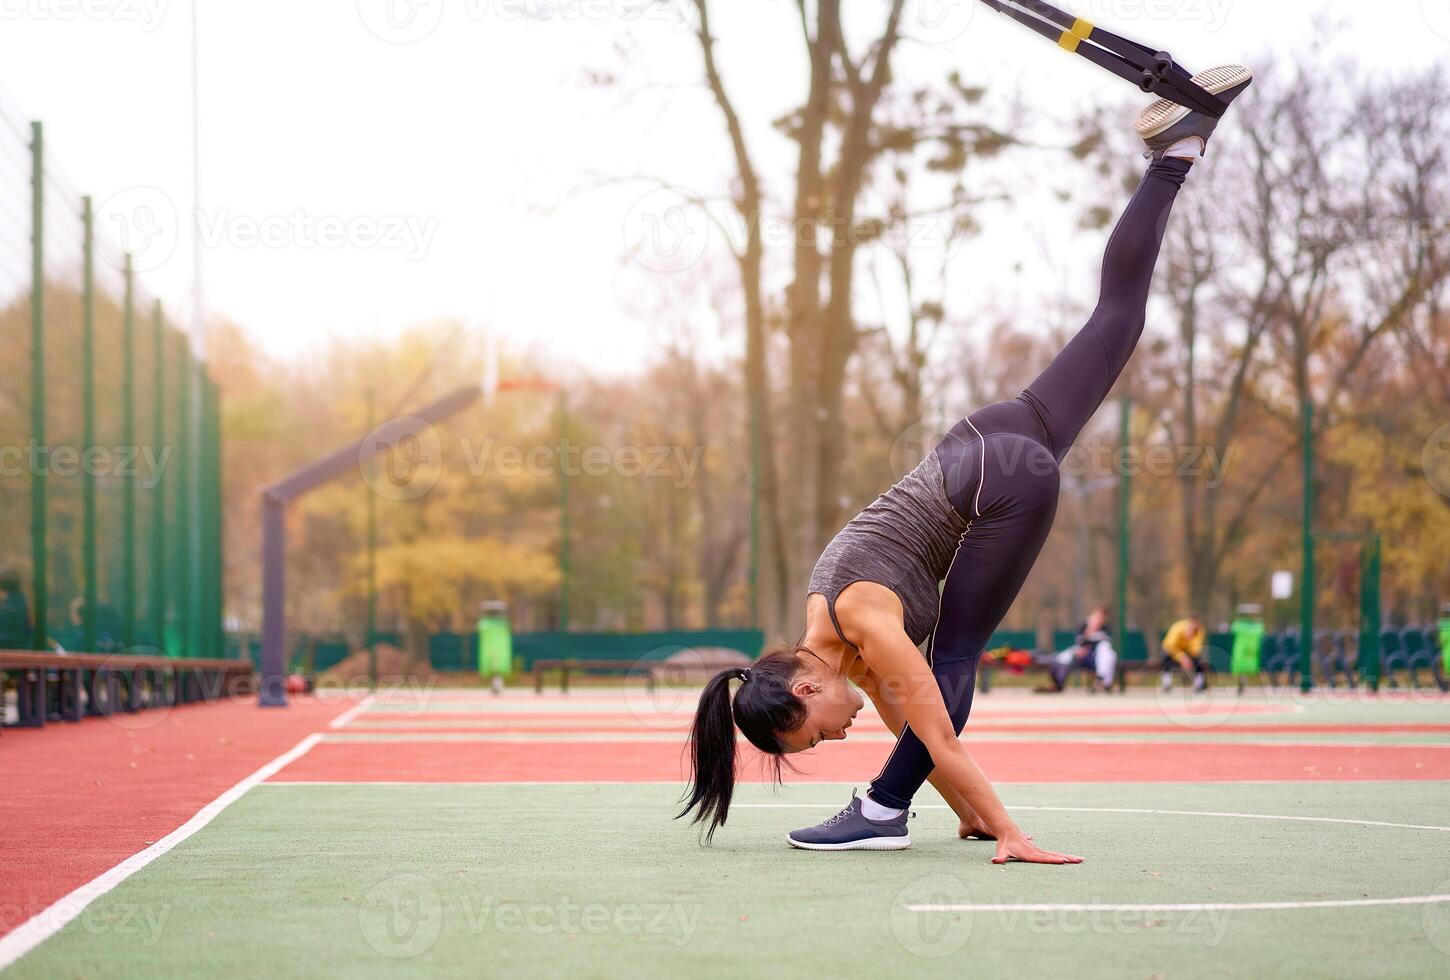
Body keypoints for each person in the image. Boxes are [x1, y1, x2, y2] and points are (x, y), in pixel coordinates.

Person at [679, 66, 1253, 858]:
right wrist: (970, 808)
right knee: (1117, 318)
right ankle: (1175, 153)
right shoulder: (839, 630)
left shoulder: (862, 622)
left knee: (954, 659)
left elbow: (938, 734)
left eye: (812, 738)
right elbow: (919, 730)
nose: (830, 742)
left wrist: (1008, 831)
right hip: (988, 439)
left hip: (997, 485)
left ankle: (880, 813)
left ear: (806, 689)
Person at [1048, 606, 1117, 692]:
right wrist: (1090, 629)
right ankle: (1058, 683)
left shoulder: (1106, 629)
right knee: (1062, 658)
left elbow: (1107, 644)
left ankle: (1102, 680)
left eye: (1102, 617)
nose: (1099, 619)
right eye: (1097, 616)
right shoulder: (1084, 626)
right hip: (1082, 655)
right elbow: (1079, 643)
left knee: (1109, 653)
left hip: (1096, 658)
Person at [1160, 614, 1208, 692]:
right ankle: (1166, 684)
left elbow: (1196, 648)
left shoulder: (1200, 630)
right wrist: (1182, 658)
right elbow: (1169, 646)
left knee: (1199, 662)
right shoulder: (1177, 628)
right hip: (1172, 649)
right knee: (1166, 658)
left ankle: (1199, 684)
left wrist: (1190, 658)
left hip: (1187, 649)